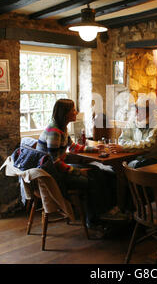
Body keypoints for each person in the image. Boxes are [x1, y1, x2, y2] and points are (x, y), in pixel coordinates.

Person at [36, 98, 115, 234]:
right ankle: (93, 220)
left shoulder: (61, 127)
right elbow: (54, 163)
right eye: (73, 110)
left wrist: (95, 149)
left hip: (58, 169)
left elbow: (72, 147)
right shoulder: (54, 131)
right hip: (52, 175)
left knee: (96, 170)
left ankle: (104, 212)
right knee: (90, 181)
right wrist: (77, 172)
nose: (76, 112)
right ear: (65, 113)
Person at [108, 103, 157, 168]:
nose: (137, 112)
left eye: (141, 109)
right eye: (136, 109)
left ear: (149, 112)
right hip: (133, 157)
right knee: (114, 166)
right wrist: (130, 146)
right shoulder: (132, 121)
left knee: (134, 165)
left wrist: (125, 148)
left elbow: (148, 144)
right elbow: (122, 140)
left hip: (153, 159)